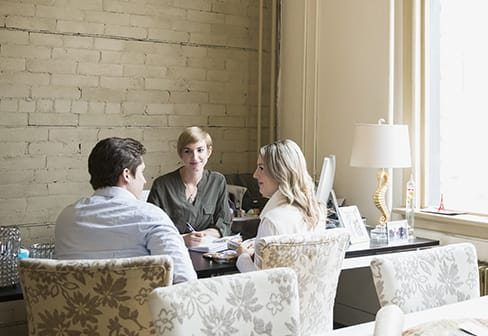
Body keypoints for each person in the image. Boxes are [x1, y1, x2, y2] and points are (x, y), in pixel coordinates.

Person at [55, 137, 197, 284]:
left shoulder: (66, 218)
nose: (144, 180)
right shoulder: (151, 217)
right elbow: (185, 282)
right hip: (140, 307)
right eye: (142, 172)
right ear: (127, 175)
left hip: (76, 305)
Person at [236, 139, 327, 272]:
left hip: (278, 293)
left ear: (280, 172)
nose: (255, 175)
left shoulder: (272, 220)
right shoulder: (317, 212)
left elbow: (259, 282)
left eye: (261, 168)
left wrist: (242, 256)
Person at [147, 126, 232, 247]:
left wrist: (201, 236)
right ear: (180, 153)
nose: (195, 157)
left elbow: (224, 223)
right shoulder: (162, 185)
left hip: (208, 252)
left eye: (200, 150)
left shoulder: (217, 181)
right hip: (171, 251)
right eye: (188, 151)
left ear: (209, 151)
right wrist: (182, 239)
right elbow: (151, 228)